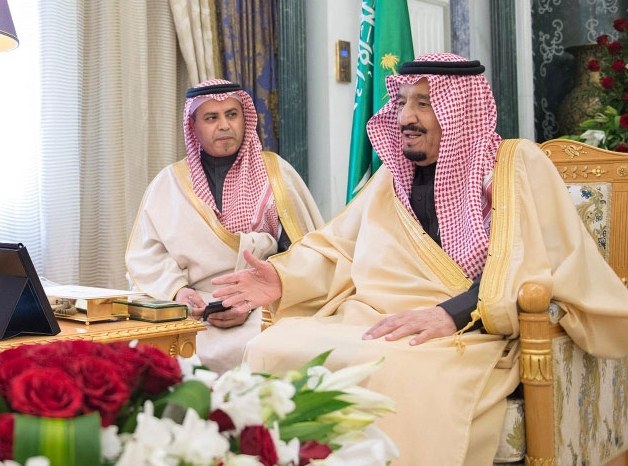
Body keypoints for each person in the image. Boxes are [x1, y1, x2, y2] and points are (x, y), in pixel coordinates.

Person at [211, 53, 628, 465]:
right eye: (401, 102)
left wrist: (451, 313)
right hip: (377, 316)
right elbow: (338, 246)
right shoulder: (392, 176)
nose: (405, 117)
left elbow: (528, 260)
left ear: (459, 110)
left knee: (395, 369)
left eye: (423, 103)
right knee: (271, 347)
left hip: (472, 330)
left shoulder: (514, 165)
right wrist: (284, 278)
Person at [126, 78, 323, 373]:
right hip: (191, 307)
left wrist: (252, 299)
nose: (224, 125)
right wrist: (177, 291)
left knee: (281, 346)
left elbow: (304, 252)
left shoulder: (277, 174)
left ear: (245, 119)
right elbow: (146, 256)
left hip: (264, 304)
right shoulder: (169, 182)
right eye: (211, 118)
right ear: (193, 126)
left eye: (232, 114)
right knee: (142, 352)